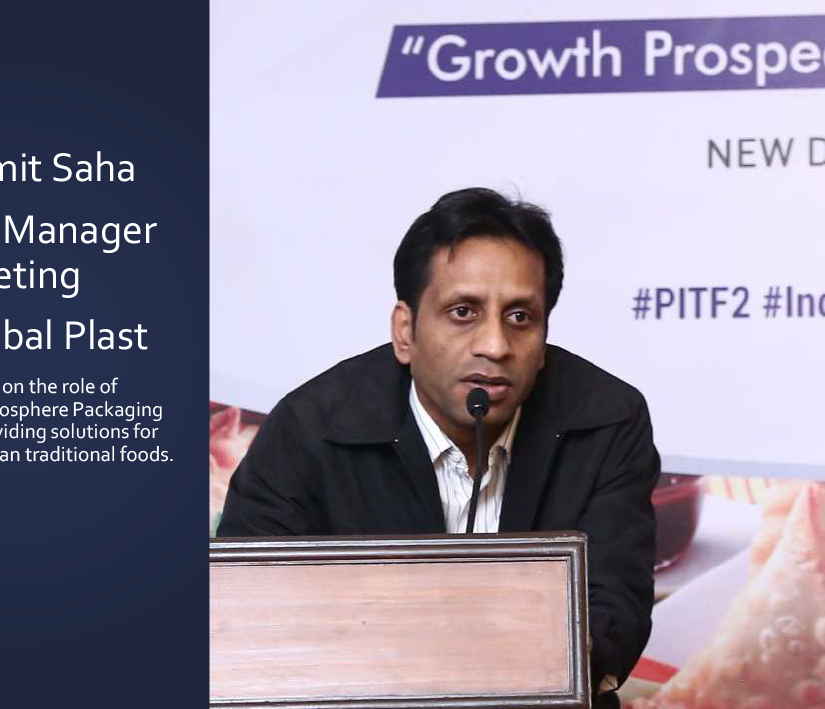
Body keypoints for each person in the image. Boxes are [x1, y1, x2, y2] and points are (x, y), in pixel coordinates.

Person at [218, 187, 660, 709]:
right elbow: (245, 619)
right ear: (405, 332)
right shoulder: (311, 429)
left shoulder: (608, 421)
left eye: (521, 317)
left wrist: (556, 658)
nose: (495, 345)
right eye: (463, 312)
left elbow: (614, 611)